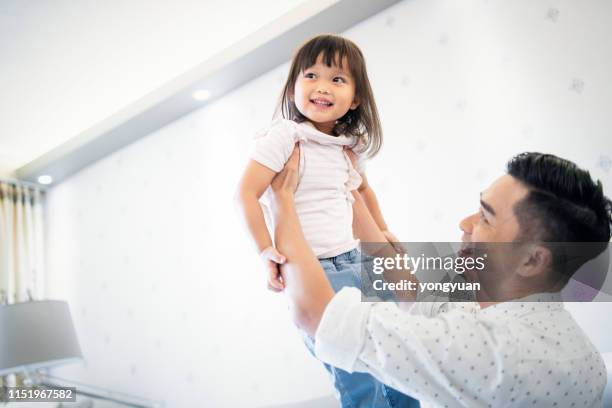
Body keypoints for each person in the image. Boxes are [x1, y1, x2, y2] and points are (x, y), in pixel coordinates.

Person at [270, 147, 611, 407]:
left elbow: (316, 315)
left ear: (532, 260)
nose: (464, 223)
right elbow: (419, 303)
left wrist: (283, 201)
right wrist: (353, 192)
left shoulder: (499, 352)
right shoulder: (530, 318)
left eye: (486, 219)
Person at [235, 34, 417, 407]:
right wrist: (264, 250)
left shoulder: (350, 144)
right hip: (315, 272)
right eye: (311, 76)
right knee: (353, 372)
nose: (322, 87)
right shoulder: (285, 136)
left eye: (337, 79)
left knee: (396, 357)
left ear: (357, 97)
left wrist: (381, 228)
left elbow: (362, 191)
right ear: (292, 88)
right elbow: (246, 194)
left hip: (358, 261)